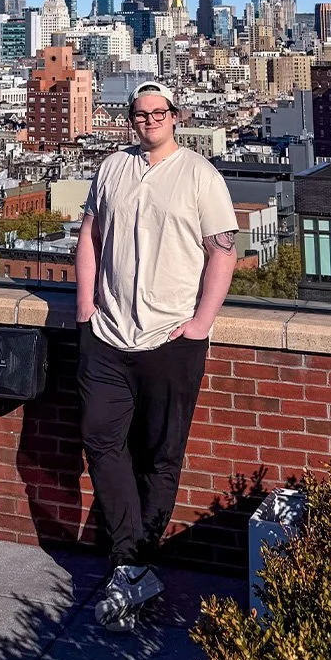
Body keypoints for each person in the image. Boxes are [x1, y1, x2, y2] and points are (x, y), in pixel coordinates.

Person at [74, 81, 238, 631]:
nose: (149, 120)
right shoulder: (111, 168)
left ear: (176, 117)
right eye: (140, 114)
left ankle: (134, 564)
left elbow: (223, 252)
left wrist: (199, 326)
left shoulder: (199, 174)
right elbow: (90, 235)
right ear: (130, 119)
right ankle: (131, 562)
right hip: (108, 334)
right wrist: (84, 308)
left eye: (159, 113)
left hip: (171, 339)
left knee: (159, 453)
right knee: (101, 439)